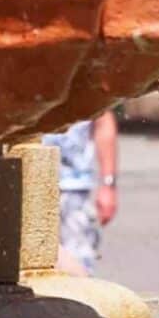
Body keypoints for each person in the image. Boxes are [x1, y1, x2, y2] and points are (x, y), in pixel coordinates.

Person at [41, 111, 118, 276]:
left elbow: (104, 121)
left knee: (79, 265)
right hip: (31, 180)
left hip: (74, 187)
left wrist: (108, 184)